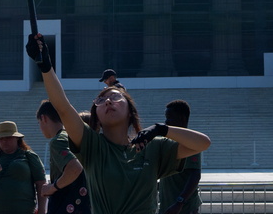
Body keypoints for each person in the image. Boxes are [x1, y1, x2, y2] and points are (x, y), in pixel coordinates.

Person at [27, 33, 211, 214]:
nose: (107, 101)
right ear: (96, 117)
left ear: (130, 111)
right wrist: (46, 67)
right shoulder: (92, 146)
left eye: (115, 97)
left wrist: (162, 129)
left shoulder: (153, 147)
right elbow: (63, 108)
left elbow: (203, 143)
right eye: (100, 101)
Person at [0, 121, 45, 214]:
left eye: (8, 138)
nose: (4, 141)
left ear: (17, 139)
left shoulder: (29, 156)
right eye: (1, 138)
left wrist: (42, 210)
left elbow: (41, 184)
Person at [36, 100, 91, 214]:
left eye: (39, 122)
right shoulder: (74, 137)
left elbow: (75, 168)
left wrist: (52, 187)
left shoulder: (58, 140)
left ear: (44, 118)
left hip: (65, 206)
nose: (40, 127)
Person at [158, 100, 202, 214]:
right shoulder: (169, 141)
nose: (166, 122)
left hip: (183, 208)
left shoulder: (191, 141)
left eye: (169, 118)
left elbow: (195, 175)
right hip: (168, 205)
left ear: (182, 119)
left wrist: (179, 202)